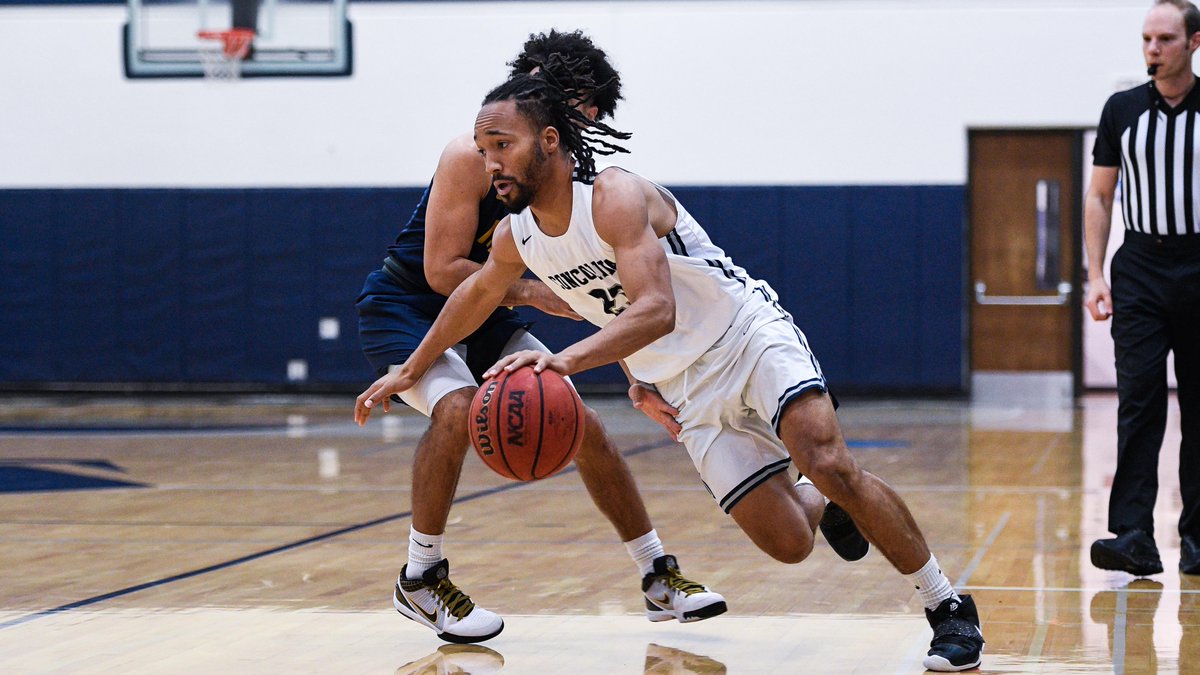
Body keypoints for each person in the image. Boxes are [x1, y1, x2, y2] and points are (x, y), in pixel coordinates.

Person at [355, 68, 986, 671]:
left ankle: (946, 604)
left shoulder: (615, 196)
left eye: (501, 145)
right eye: (483, 148)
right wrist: (412, 368)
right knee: (790, 542)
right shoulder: (515, 237)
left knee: (827, 458)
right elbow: (471, 295)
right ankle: (826, 503)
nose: (489, 162)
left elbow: (655, 310)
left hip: (744, 337)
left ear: (549, 141)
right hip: (686, 388)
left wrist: (563, 360)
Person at [353, 31, 731, 644]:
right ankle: (420, 576)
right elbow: (443, 272)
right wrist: (534, 291)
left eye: (596, 114)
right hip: (410, 307)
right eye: (581, 108)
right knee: (456, 408)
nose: (588, 123)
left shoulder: (585, 182)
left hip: (489, 309)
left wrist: (636, 380)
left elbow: (611, 299)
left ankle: (658, 576)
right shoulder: (469, 155)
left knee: (580, 422)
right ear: (548, 98)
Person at [1085, 0, 1200, 578]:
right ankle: (1134, 535)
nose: (1152, 49)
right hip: (1141, 268)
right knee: (1140, 403)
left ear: (1194, 43)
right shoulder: (1122, 110)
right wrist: (1096, 274)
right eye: (1146, 39)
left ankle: (1199, 538)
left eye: (1165, 39)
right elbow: (1100, 196)